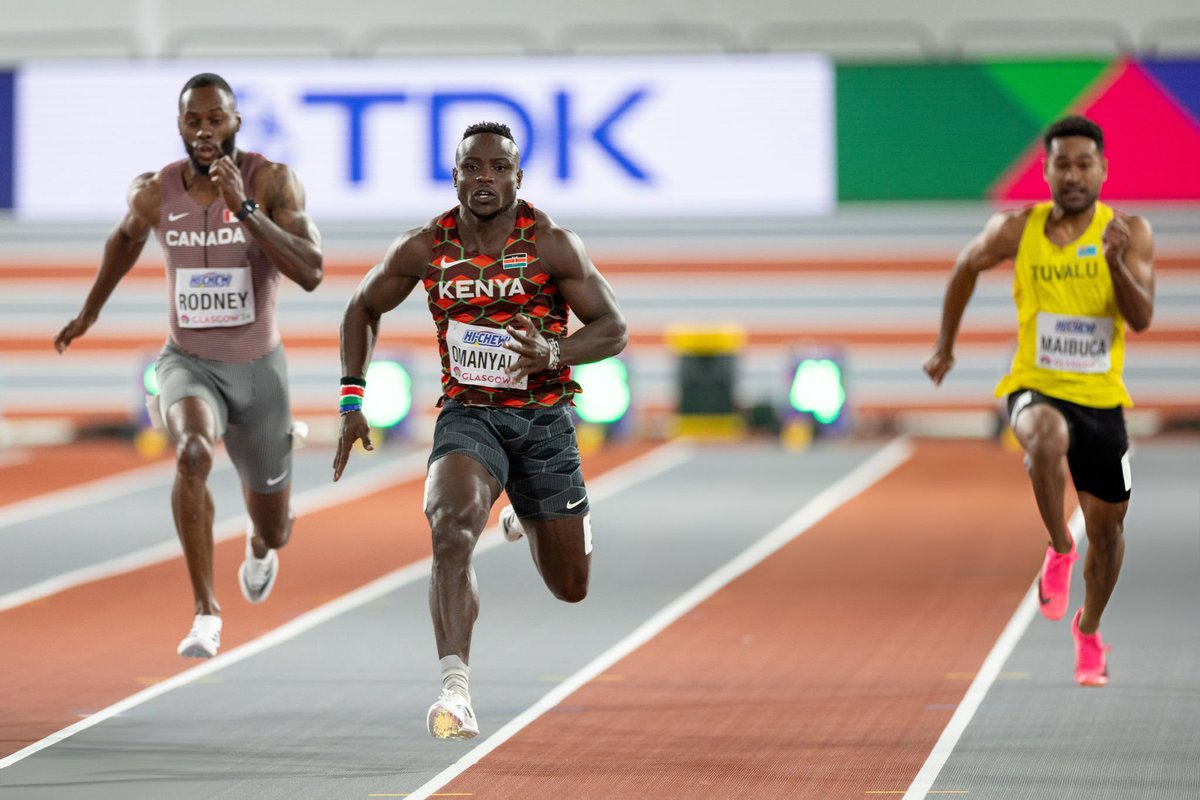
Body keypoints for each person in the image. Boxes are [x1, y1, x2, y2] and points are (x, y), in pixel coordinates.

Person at [333, 121, 627, 740]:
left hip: (543, 419)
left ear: (518, 177)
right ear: (456, 175)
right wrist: (350, 397)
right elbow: (362, 306)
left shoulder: (551, 244)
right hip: (469, 414)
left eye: (498, 168)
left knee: (570, 587)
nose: (485, 178)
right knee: (449, 526)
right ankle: (455, 690)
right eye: (473, 167)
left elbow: (614, 329)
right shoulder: (424, 246)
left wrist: (550, 353)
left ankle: (530, 505)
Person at [55, 73, 324, 659]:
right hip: (188, 360)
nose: (205, 132)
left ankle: (261, 541)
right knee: (193, 452)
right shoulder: (155, 191)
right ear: (180, 126)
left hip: (257, 368)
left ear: (236, 122)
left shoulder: (272, 181)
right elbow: (124, 240)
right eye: (193, 121)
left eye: (216, 119)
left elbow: (311, 270)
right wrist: (89, 311)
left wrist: (245, 210)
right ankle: (206, 610)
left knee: (275, 526)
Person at [924, 115, 1155, 687]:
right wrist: (944, 347)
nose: (1073, 173)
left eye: (1084, 163)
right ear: (1047, 170)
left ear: (1103, 169)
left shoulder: (1129, 232)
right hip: (1036, 383)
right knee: (1044, 439)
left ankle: (1089, 629)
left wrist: (1114, 262)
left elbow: (1142, 318)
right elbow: (963, 267)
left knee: (1110, 535)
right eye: (1061, 163)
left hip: (1102, 400)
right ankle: (1058, 548)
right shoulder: (1014, 230)